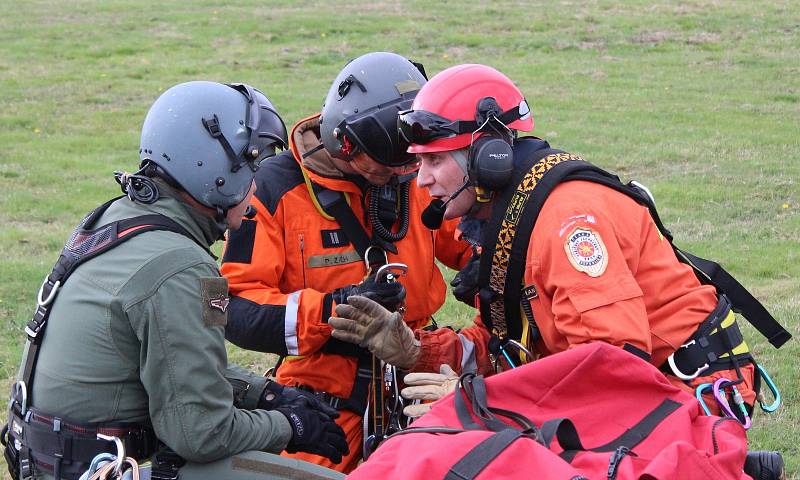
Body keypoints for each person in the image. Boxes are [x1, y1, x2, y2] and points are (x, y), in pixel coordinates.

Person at [3, 81, 350, 480]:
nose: (256, 187)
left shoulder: (118, 219)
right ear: (214, 168)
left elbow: (168, 359)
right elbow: (201, 432)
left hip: (66, 468)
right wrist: (287, 425)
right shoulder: (182, 266)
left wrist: (268, 392)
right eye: (249, 166)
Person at [329, 63, 790, 420]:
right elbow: (505, 345)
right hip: (636, 396)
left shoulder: (568, 223)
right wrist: (416, 351)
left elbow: (614, 367)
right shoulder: (510, 214)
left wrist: (481, 403)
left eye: (434, 162)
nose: (422, 180)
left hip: (683, 404)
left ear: (487, 156)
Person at [221, 52, 472, 473]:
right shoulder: (272, 191)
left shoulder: (412, 173)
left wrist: (491, 268)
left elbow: (471, 243)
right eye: (391, 164)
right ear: (346, 142)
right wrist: (340, 308)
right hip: (324, 400)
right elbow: (235, 308)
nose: (405, 173)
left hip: (420, 377)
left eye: (414, 160)